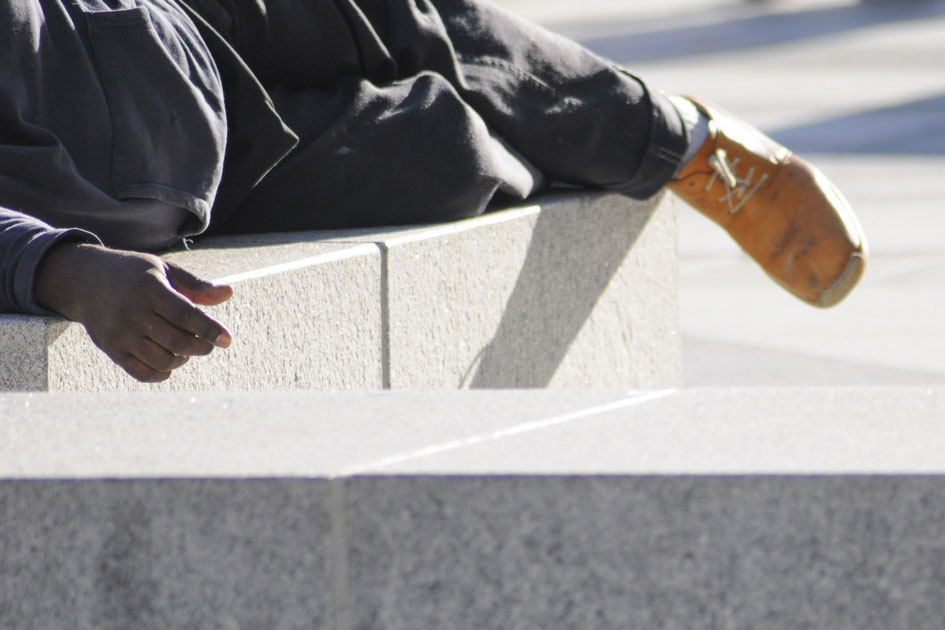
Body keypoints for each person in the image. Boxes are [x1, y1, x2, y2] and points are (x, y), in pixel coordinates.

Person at [0, 0, 867, 383]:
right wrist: (61, 271)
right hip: (192, 187)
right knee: (446, 158)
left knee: (423, 21)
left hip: (148, 20)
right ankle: (575, 142)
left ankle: (684, 144)